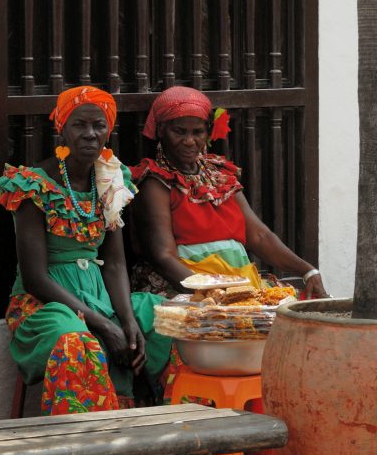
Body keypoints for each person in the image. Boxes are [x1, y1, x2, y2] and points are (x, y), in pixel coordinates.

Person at [0, 86, 173, 415]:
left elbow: (116, 265)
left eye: (99, 125)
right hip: (46, 307)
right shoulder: (34, 184)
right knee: (77, 342)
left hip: (99, 298)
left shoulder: (109, 180)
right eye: (79, 125)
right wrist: (105, 326)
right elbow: (35, 278)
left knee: (173, 320)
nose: (91, 134)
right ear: (61, 128)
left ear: (109, 131)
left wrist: (127, 320)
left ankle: (166, 430)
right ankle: (83, 448)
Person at [130, 86, 329, 299]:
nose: (189, 141)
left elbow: (259, 236)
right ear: (161, 131)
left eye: (197, 132)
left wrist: (308, 271)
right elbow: (163, 257)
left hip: (234, 286)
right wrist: (214, 295)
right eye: (179, 131)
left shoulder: (220, 174)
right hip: (186, 288)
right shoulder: (155, 182)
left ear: (207, 133)